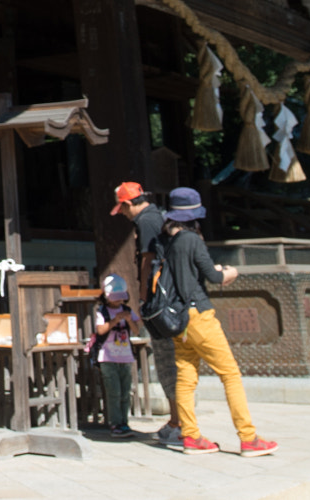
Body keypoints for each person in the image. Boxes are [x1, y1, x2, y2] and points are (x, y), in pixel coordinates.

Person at [162, 187, 278, 456]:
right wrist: (229, 271)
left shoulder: (169, 243)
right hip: (199, 316)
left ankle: (190, 436)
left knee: (186, 377)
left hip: (178, 320)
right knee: (230, 374)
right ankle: (248, 438)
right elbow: (213, 278)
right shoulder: (192, 240)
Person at [112, 181, 181, 444]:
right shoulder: (160, 216)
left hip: (160, 300)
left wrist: (143, 296)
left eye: (123, 209)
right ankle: (178, 420)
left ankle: (178, 421)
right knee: (173, 362)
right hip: (172, 298)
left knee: (167, 362)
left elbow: (148, 258)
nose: (123, 215)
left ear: (129, 203)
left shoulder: (146, 220)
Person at [89, 273, 140, 438]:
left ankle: (124, 422)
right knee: (113, 392)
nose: (118, 301)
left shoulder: (127, 310)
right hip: (108, 356)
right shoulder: (102, 311)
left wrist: (127, 319)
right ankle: (115, 423)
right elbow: (100, 330)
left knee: (126, 391)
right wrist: (115, 321)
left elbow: (137, 329)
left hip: (125, 356)